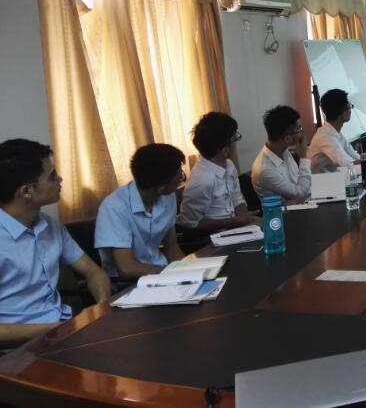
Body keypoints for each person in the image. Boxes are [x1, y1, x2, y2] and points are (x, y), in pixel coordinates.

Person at [0, 139, 110, 347]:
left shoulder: (50, 225)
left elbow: (93, 272)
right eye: (52, 176)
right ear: (26, 191)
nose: (60, 179)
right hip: (16, 350)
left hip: (61, 333)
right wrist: (57, 328)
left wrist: (101, 305)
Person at [95, 143, 185, 280]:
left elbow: (172, 247)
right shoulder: (114, 207)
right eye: (180, 177)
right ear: (161, 188)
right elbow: (127, 268)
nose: (182, 180)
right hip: (129, 283)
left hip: (161, 272)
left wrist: (187, 272)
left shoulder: (168, 197)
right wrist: (169, 274)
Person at [177, 112, 257, 232]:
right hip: (212, 237)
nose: (236, 144)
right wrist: (235, 221)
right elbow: (189, 224)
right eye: (234, 139)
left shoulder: (229, 165)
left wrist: (246, 220)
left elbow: (237, 199)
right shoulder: (201, 180)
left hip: (235, 229)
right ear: (225, 150)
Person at [308, 89, 366, 173]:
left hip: (334, 181)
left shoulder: (335, 133)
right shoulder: (326, 137)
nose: (351, 110)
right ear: (343, 113)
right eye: (350, 107)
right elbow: (350, 166)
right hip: (321, 185)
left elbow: (358, 159)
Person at [251, 105, 311, 203]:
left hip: (302, 205)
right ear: (287, 138)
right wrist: (303, 157)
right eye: (299, 130)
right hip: (285, 212)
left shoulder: (284, 151)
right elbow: (300, 193)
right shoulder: (265, 170)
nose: (302, 134)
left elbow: (301, 188)